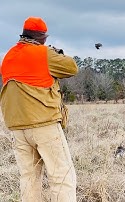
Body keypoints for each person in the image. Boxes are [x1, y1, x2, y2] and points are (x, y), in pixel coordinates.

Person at [0, 16, 78, 201]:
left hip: (18, 128)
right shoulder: (44, 53)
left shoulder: (8, 56)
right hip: (44, 125)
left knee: (28, 177)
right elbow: (72, 67)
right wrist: (54, 52)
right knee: (62, 176)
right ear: (41, 37)